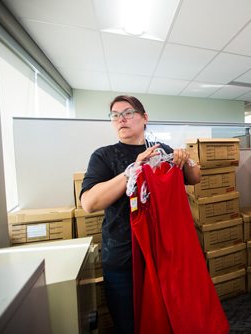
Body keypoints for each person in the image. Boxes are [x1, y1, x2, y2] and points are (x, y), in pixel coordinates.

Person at [80, 95, 200, 334]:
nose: (121, 119)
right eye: (115, 115)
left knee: (166, 320)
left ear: (145, 118)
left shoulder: (160, 150)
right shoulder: (103, 156)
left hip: (162, 253)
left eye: (127, 113)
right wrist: (132, 170)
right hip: (124, 257)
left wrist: (186, 161)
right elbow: (89, 203)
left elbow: (194, 178)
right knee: (130, 324)